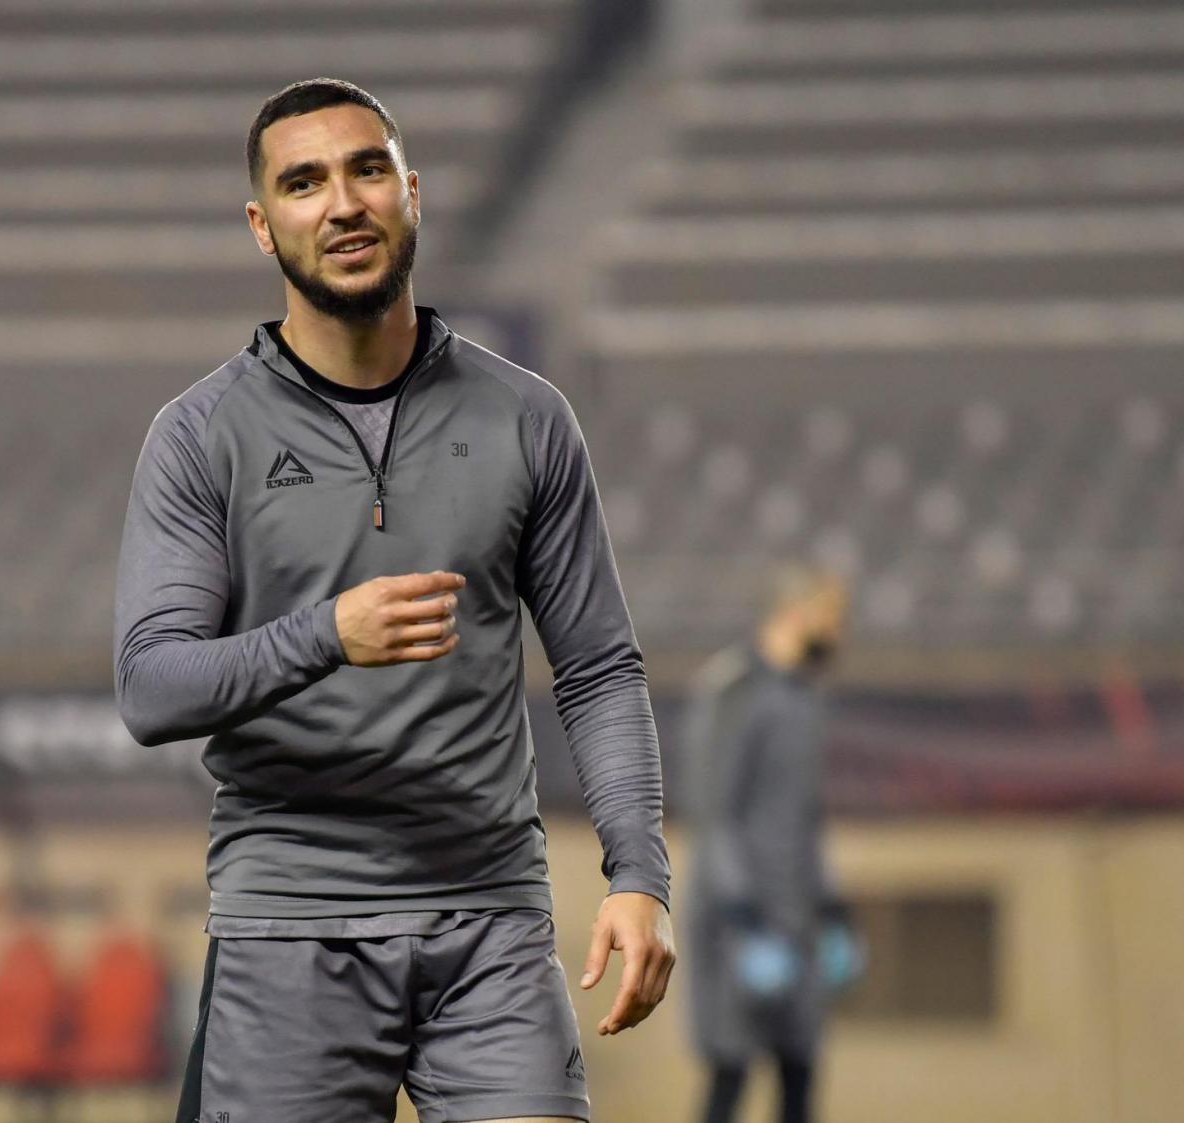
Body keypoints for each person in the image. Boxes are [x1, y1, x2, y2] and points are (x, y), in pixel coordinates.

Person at [113, 78, 674, 1123]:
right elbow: (151, 686)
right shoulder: (200, 436)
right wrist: (326, 634)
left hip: (490, 924)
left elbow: (598, 668)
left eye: (366, 169)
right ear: (262, 224)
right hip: (289, 926)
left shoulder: (525, 417)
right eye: (303, 183)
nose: (342, 203)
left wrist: (638, 873)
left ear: (410, 193)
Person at [680, 566, 856, 1123]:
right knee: (730, 1073)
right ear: (796, 613)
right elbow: (714, 811)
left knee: (800, 1071)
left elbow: (807, 817)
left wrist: (831, 908)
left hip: (797, 918)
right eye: (831, 617)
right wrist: (744, 915)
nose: (838, 632)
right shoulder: (733, 690)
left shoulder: (806, 698)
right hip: (741, 923)